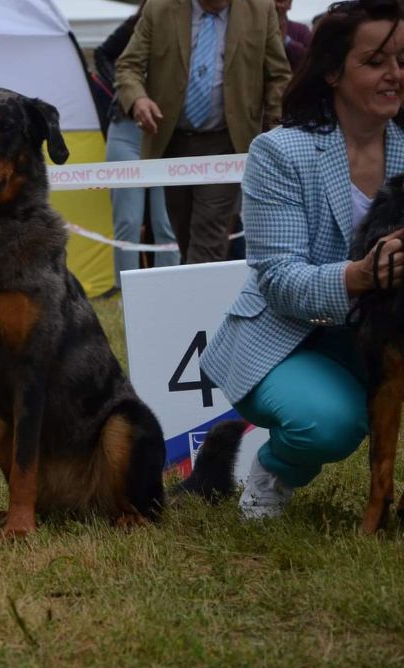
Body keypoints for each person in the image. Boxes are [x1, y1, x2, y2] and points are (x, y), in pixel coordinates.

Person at [200, 0, 404, 520]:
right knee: (326, 423)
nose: (395, 75)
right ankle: (274, 467)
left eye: (402, 60)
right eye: (376, 61)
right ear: (333, 71)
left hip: (385, 333)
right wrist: (361, 275)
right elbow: (280, 280)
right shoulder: (280, 152)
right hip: (289, 336)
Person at [114, 0, 292, 265]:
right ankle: (199, 293)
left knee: (208, 235)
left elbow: (279, 76)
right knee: (184, 235)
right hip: (172, 142)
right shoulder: (160, 8)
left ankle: (195, 300)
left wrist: (276, 130)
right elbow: (128, 66)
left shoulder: (260, 9)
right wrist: (138, 99)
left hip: (226, 143)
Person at [95, 0, 180, 290]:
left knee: (166, 222)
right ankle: (126, 292)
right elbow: (103, 54)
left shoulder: (192, 24)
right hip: (126, 130)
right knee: (128, 222)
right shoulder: (137, 22)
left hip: (167, 133)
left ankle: (170, 289)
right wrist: (126, 94)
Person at [275, 0, 313, 71]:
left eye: (280, 1)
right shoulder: (257, 31)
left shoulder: (301, 30)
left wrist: (286, 41)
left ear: (290, 4)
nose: (276, 5)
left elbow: (311, 58)